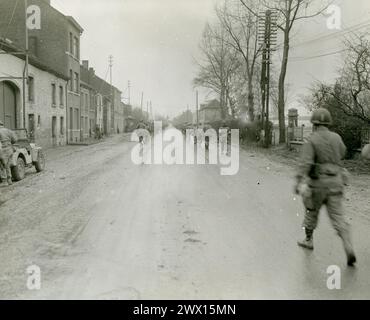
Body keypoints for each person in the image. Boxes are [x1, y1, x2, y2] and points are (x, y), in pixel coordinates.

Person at [295, 108, 357, 266]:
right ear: (328, 123)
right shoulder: (336, 137)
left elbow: (305, 163)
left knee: (311, 211)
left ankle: (308, 240)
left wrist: (298, 180)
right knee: (338, 217)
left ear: (314, 123)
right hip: (336, 182)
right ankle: (348, 245)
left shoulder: (311, 139)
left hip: (317, 184)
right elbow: (343, 152)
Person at [0, 120, 17, 186]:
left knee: (2, 166)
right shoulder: (8, 131)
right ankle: (9, 180)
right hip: (10, 150)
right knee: (7, 165)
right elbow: (15, 140)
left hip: (2, 151)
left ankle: (4, 181)